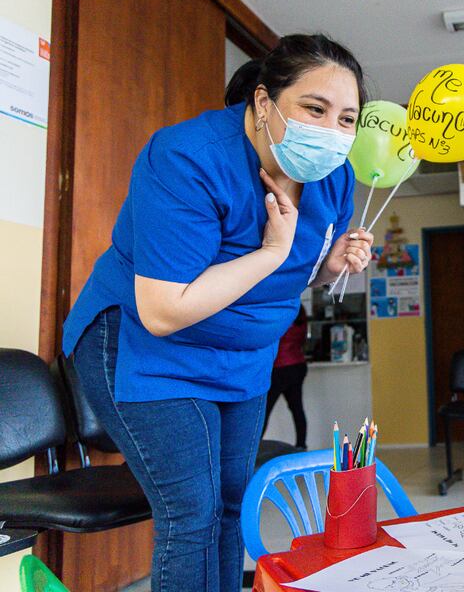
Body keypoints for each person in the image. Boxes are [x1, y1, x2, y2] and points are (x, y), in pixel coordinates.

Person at [62, 34, 374, 592]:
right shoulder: (187, 157)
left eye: (347, 118)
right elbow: (163, 310)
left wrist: (331, 268)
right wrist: (271, 251)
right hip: (146, 346)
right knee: (193, 513)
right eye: (314, 108)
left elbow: (294, 278)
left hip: (244, 356)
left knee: (232, 502)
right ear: (262, 102)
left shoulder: (337, 178)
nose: (332, 131)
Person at [263, 305, 310, 449]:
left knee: (264, 410)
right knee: (297, 408)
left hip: (279, 368)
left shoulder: (281, 322)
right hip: (298, 366)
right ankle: (301, 445)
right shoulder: (302, 323)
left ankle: (254, 446)